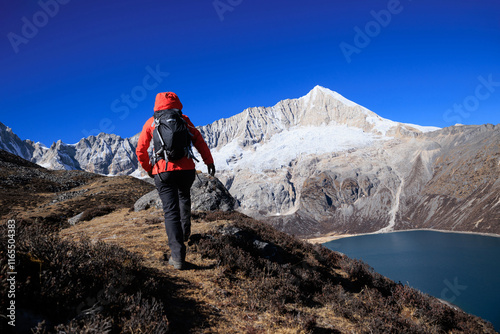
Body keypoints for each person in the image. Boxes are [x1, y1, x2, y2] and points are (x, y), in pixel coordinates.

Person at [136, 92, 215, 270]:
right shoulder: (184, 119)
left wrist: (149, 168)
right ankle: (185, 233)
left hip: (163, 171)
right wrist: (209, 161)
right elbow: (199, 140)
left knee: (170, 211)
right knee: (184, 199)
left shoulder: (151, 122)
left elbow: (141, 149)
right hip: (186, 169)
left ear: (157, 105)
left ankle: (178, 257)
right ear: (177, 103)